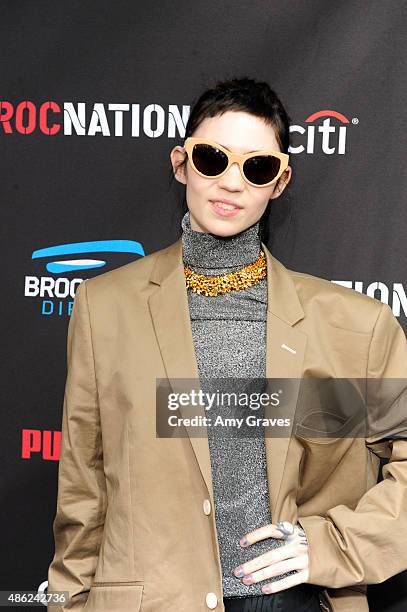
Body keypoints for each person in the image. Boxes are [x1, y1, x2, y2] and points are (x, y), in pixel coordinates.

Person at [48, 77, 407, 612]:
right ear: (181, 163)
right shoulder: (107, 308)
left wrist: (334, 545)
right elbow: (84, 489)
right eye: (213, 159)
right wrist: (68, 602)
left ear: (279, 181)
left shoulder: (355, 327)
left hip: (294, 602)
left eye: (256, 166)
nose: (232, 183)